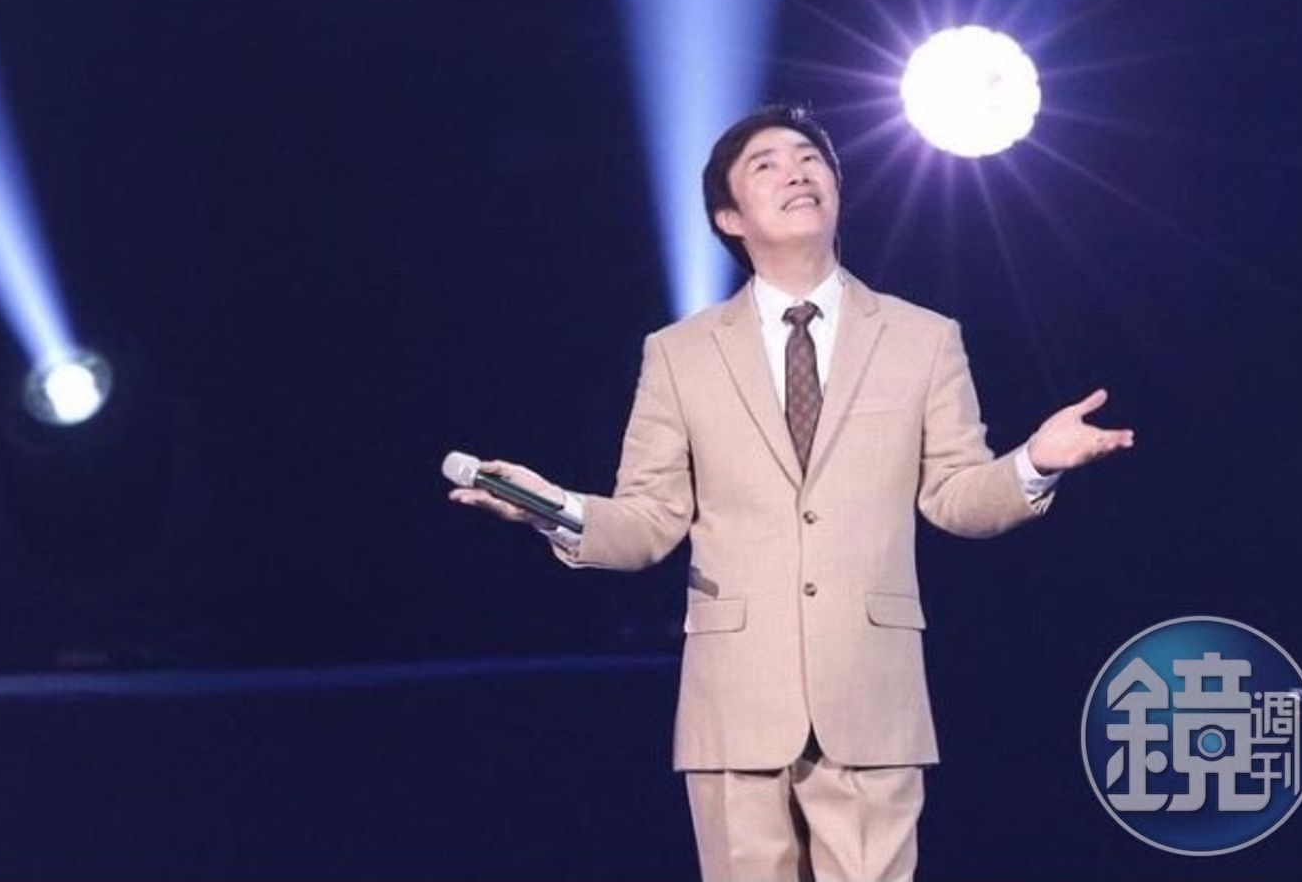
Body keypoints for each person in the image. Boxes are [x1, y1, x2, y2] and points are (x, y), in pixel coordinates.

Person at [449, 103, 1133, 882]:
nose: (796, 172)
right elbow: (647, 521)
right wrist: (552, 507)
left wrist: (1033, 462)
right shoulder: (679, 354)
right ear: (729, 217)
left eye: (809, 158)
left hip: (870, 694)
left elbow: (955, 496)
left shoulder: (923, 337)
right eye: (766, 165)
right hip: (736, 700)